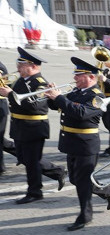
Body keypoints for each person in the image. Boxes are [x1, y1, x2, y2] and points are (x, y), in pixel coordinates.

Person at [45, 57, 110, 230]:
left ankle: (85, 215)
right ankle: (107, 191)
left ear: (91, 77)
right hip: (71, 142)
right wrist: (51, 95)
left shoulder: (96, 97)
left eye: (79, 74)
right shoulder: (76, 92)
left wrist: (59, 98)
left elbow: (80, 113)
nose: (75, 77)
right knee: (77, 179)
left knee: (83, 181)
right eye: (75, 74)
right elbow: (57, 106)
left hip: (86, 145)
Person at [0, 48, 66, 203]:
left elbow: (35, 106)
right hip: (20, 126)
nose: (18, 67)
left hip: (34, 126)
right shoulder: (20, 80)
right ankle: (57, 172)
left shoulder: (40, 84)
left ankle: (35, 191)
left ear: (33, 66)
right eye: (18, 63)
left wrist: (9, 94)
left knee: (32, 161)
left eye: (21, 65)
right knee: (24, 158)